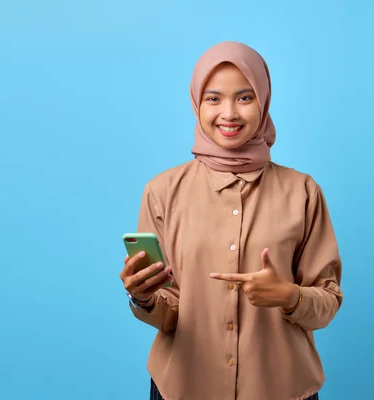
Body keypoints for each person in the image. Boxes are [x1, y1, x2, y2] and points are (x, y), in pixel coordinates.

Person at [119, 41, 343, 400]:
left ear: (264, 101)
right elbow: (169, 312)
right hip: (183, 388)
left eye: (244, 97)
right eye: (213, 98)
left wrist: (289, 296)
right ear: (196, 102)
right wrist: (143, 298)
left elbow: (328, 302)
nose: (229, 113)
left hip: (280, 390)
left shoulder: (303, 192)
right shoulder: (161, 192)